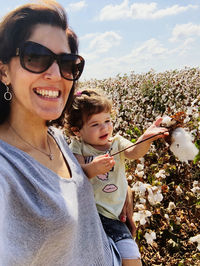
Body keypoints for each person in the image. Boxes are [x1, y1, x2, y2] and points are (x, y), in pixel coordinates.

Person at [0, 1, 135, 265]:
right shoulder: (6, 170)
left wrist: (123, 190)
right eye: (35, 57)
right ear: (4, 71)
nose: (55, 74)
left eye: (67, 63)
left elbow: (78, 184)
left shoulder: (57, 138)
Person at [67, 89, 169, 266]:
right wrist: (92, 169)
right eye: (95, 124)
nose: (104, 127)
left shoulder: (117, 143)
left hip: (114, 216)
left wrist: (145, 138)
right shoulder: (78, 147)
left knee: (132, 258)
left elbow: (134, 152)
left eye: (107, 121)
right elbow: (76, 174)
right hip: (92, 215)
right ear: (77, 131)